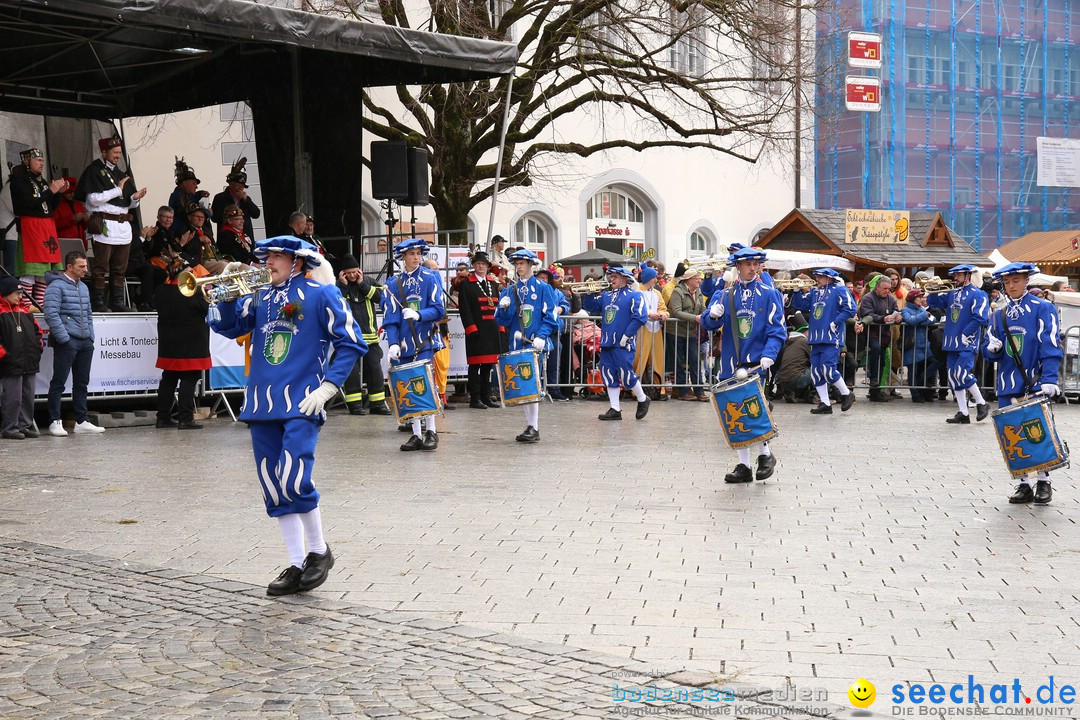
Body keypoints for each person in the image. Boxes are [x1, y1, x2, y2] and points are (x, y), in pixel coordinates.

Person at [208, 236, 365, 596]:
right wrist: (229, 296)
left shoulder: (322, 293)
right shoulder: (259, 296)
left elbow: (352, 341)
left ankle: (319, 551)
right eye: (266, 257)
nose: (268, 262)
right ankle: (297, 563)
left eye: (276, 256)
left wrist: (327, 388)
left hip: (301, 400)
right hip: (262, 403)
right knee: (273, 484)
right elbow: (228, 327)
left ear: (297, 261)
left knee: (294, 477)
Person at [701, 247, 786, 483]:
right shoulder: (726, 294)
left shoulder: (769, 294)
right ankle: (744, 465)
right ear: (737, 267)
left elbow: (777, 330)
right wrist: (712, 315)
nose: (751, 268)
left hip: (756, 362)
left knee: (753, 410)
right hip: (730, 361)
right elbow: (707, 324)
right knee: (734, 411)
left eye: (755, 264)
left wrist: (769, 354)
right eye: (747, 264)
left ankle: (765, 455)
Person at [982, 263, 1064, 505]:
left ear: (1026, 280)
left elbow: (1049, 345)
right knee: (1013, 434)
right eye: (1007, 282)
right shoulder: (999, 314)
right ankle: (1023, 484)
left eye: (1016, 280)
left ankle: (1043, 481)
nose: (1011, 286)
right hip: (1008, 382)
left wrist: (1049, 378)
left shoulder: (1043, 307)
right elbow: (991, 353)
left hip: (1034, 380)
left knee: (1037, 433)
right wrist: (991, 350)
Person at [380, 237, 446, 451]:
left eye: (418, 253)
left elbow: (439, 309)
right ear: (403, 257)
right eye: (411, 254)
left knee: (424, 383)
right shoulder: (392, 283)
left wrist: (419, 314)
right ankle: (416, 433)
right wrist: (393, 343)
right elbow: (390, 318)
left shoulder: (430, 277)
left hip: (425, 340)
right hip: (405, 345)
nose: (416, 257)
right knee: (408, 386)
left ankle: (432, 431)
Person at [493, 248, 561, 442]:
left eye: (522, 264)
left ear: (531, 265)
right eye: (516, 264)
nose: (518, 267)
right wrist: (503, 308)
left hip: (534, 344)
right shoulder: (510, 290)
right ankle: (530, 425)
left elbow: (552, 317)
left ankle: (534, 426)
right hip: (516, 344)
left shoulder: (543, 288)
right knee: (524, 385)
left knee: (531, 381)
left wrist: (542, 336)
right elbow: (502, 321)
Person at [76, 137, 147, 313]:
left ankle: (117, 303)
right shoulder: (94, 170)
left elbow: (126, 202)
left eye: (119, 153)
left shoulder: (120, 173)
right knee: (101, 267)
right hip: (104, 224)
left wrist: (134, 199)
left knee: (120, 268)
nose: (118, 156)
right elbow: (92, 199)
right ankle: (98, 303)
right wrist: (117, 190)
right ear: (105, 152)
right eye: (115, 152)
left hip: (122, 226)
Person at [42, 250, 104, 436]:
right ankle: (54, 421)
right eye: (81, 266)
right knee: (59, 382)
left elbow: (89, 314)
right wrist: (64, 338)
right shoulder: (56, 286)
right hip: (68, 341)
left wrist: (91, 336)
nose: (86, 269)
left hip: (85, 341)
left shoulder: (83, 287)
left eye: (86, 265)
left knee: (82, 382)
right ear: (70, 267)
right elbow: (51, 314)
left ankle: (81, 420)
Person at [580, 265, 651, 420]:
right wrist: (590, 293)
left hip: (624, 342)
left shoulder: (634, 296)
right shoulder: (606, 296)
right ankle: (615, 408)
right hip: (607, 342)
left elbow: (640, 317)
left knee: (626, 374)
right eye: (610, 276)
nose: (611, 279)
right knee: (608, 374)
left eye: (615, 277)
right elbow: (590, 306)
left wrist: (627, 335)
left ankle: (643, 398)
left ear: (624, 279)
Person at [927, 264, 990, 424]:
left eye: (958, 275)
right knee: (953, 377)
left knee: (962, 373)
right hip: (951, 342)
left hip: (966, 341)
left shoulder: (979, 294)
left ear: (968, 275)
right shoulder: (952, 293)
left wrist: (965, 333)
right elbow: (934, 303)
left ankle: (981, 402)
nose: (955, 278)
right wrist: (933, 289)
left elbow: (980, 317)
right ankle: (963, 412)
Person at [788, 268, 856, 414]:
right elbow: (800, 305)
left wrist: (836, 322)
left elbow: (850, 309)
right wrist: (796, 291)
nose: (817, 279)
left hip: (831, 337)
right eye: (817, 276)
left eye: (820, 277)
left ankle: (846, 393)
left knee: (828, 370)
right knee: (816, 372)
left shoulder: (839, 290)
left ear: (829, 278)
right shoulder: (815, 292)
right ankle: (825, 403)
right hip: (816, 338)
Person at [153, 265, 211, 429]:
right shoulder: (194, 291)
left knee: (169, 379)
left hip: (168, 342)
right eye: (191, 272)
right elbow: (205, 309)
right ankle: (185, 418)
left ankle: (162, 417)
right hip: (191, 341)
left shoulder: (160, 290)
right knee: (189, 379)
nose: (194, 275)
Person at [10, 148, 66, 311]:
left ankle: (39, 303)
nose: (42, 163)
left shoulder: (41, 181)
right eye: (38, 160)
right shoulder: (19, 180)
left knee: (45, 269)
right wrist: (50, 191)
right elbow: (27, 204)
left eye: (43, 160)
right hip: (32, 226)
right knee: (32, 267)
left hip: (47, 226)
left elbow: (49, 206)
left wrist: (58, 194)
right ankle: (26, 303)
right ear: (28, 161)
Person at [336, 255, 389, 416]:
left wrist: (362, 285)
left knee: (375, 369)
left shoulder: (369, 281)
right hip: (349, 338)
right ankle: (355, 405)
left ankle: (377, 403)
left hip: (370, 337)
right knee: (352, 372)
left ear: (360, 270)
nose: (352, 276)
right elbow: (337, 305)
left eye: (354, 272)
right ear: (342, 274)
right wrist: (344, 287)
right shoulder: (337, 287)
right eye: (348, 273)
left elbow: (382, 299)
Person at [0, 276, 44, 439]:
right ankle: (10, 428)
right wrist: (5, 355)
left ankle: (24, 426)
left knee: (27, 396)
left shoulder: (24, 311)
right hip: (10, 363)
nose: (20, 296)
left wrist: (38, 349)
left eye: (21, 293)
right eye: (17, 293)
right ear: (5, 293)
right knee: (13, 398)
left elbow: (38, 332)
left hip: (29, 360)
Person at [457, 250, 502, 409]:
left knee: (488, 366)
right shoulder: (466, 284)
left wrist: (500, 326)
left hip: (491, 330)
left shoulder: (493, 283)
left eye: (483, 264)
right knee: (475, 366)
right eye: (478, 264)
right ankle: (474, 398)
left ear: (488, 266)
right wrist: (471, 328)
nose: (480, 266)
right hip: (476, 331)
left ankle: (486, 396)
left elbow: (498, 307)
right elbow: (465, 309)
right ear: (474, 266)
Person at [856, 274, 902, 402]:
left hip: (885, 333)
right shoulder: (868, 298)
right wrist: (882, 318)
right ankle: (874, 378)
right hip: (872, 332)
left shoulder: (891, 299)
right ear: (877, 287)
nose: (887, 291)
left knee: (883, 359)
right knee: (875, 350)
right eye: (884, 289)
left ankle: (876, 391)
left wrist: (898, 318)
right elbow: (867, 314)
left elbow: (896, 310)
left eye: (889, 289)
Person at [665, 267, 707, 400]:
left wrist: (707, 315)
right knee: (678, 361)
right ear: (689, 280)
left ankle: (699, 391)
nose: (700, 280)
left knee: (695, 360)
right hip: (676, 331)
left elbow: (703, 308)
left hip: (691, 332)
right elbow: (676, 311)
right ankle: (683, 392)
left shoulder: (698, 291)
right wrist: (695, 318)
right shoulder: (677, 292)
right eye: (697, 278)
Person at [634, 262, 668, 400]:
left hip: (655, 330)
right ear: (648, 278)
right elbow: (636, 307)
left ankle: (658, 389)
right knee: (640, 358)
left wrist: (663, 314)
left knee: (657, 359)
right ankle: (635, 389)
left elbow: (662, 307)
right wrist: (649, 314)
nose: (657, 279)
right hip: (641, 329)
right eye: (654, 277)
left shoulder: (657, 293)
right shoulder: (637, 291)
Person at [900, 289, 938, 402]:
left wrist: (919, 319)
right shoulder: (905, 310)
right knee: (912, 370)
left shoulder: (921, 310)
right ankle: (915, 395)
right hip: (912, 344)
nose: (921, 299)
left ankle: (922, 379)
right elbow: (910, 321)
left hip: (924, 344)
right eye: (919, 297)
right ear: (913, 298)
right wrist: (923, 316)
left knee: (936, 361)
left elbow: (933, 319)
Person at [210, 158, 260, 239]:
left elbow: (256, 214)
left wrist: (246, 200)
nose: (240, 189)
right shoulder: (220, 198)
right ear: (231, 185)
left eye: (242, 187)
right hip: (227, 236)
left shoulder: (246, 199)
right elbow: (215, 218)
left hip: (245, 236)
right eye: (238, 186)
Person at [774, 313, 813, 403]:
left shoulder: (788, 342)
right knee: (822, 369)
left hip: (782, 380)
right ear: (805, 331)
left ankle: (790, 391)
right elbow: (813, 360)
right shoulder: (804, 341)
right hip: (796, 378)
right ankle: (817, 396)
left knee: (798, 369)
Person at [168, 157, 209, 236]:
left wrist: (200, 194)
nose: (196, 187)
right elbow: (189, 209)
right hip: (182, 233)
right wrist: (208, 212)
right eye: (193, 183)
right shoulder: (177, 196)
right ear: (184, 183)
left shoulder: (185, 195)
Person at [52, 176, 88, 250]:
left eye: (73, 192)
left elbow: (85, 227)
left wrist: (85, 219)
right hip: (64, 243)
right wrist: (71, 219)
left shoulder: (79, 205)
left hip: (80, 243)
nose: (72, 195)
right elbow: (54, 225)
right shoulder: (56, 205)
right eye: (69, 192)